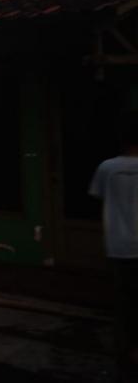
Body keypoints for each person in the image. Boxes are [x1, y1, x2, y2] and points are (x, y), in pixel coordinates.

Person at [90, 114, 138, 380]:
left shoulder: (106, 168)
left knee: (122, 304)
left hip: (117, 245)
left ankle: (126, 354)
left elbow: (98, 196)